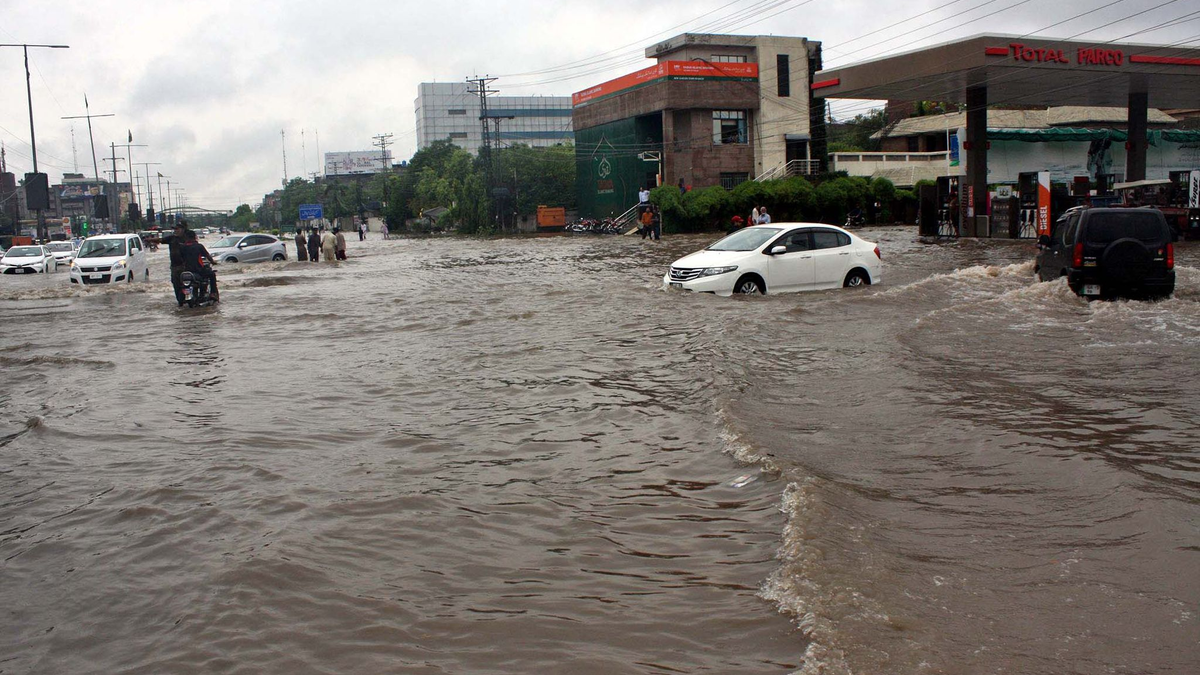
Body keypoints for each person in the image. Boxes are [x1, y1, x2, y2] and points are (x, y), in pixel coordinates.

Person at [180, 229, 218, 302]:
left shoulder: (182, 247)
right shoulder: (199, 246)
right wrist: (213, 262)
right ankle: (213, 293)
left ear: (186, 238)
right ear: (194, 237)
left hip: (186, 271)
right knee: (212, 275)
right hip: (198, 270)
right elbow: (207, 256)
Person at [160, 221, 189, 306]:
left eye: (177, 229)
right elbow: (160, 240)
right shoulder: (171, 238)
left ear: (183, 229)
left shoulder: (188, 238)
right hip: (175, 266)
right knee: (176, 284)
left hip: (186, 266)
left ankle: (188, 298)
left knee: (187, 283)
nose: (175, 231)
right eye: (174, 229)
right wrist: (149, 240)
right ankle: (180, 301)